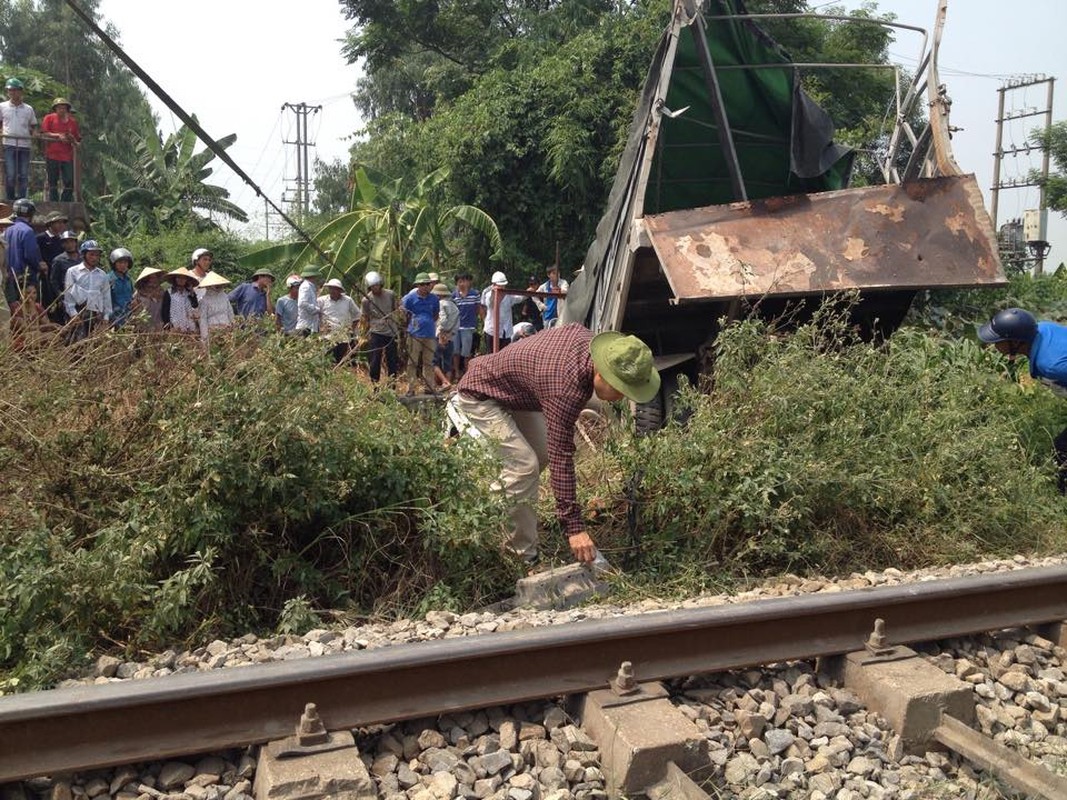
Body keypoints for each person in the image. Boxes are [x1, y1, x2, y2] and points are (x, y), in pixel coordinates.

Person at [454, 325, 660, 566]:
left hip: (516, 393)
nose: (620, 398)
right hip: (481, 394)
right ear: (602, 373)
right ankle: (522, 560)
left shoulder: (591, 348)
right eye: (619, 389)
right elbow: (562, 454)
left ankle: (496, 514)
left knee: (538, 456)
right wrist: (574, 528)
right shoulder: (565, 387)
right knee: (523, 467)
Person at [979, 307, 1067, 492]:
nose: (994, 345)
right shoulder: (1041, 329)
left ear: (1016, 341)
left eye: (999, 340)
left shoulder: (1050, 365)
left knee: (1062, 450)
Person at [401, 272, 440, 396]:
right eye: (422, 284)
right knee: (412, 362)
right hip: (414, 334)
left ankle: (429, 387)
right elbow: (403, 312)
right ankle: (411, 388)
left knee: (429, 362)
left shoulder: (434, 299)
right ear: (418, 285)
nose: (425, 287)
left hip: (429, 334)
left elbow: (435, 315)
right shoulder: (410, 298)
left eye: (427, 284)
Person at [64, 239, 111, 340]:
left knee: (94, 346)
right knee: (76, 345)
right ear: (84, 255)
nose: (95, 258)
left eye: (97, 255)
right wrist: (73, 314)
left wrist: (106, 317)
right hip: (78, 313)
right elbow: (68, 296)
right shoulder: (72, 271)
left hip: (96, 316)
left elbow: (106, 297)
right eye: (91, 254)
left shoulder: (102, 275)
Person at [3, 198, 45, 306]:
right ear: (30, 213)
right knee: (29, 308)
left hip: (8, 277)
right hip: (25, 278)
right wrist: (39, 266)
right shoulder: (27, 231)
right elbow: (30, 256)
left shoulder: (6, 228)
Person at [0, 78, 37, 201]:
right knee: (10, 174)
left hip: (24, 145)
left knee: (23, 175)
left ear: (21, 92)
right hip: (9, 144)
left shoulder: (28, 109)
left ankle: (22, 200)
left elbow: (33, 126)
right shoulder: (2, 107)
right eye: (10, 90)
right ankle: (10, 199)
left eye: (15, 90)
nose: (12, 93)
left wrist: (35, 133)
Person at [361, 270, 400, 383]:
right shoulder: (366, 300)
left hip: (390, 331)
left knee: (392, 361)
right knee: (374, 361)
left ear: (381, 284)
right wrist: (364, 335)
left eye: (377, 285)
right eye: (372, 286)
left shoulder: (390, 294)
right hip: (376, 332)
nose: (375, 288)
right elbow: (365, 318)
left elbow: (395, 310)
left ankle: (392, 386)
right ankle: (375, 387)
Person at [40, 98, 81, 202]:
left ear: (67, 109)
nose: (61, 110)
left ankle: (65, 201)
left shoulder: (73, 122)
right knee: (52, 180)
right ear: (55, 109)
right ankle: (54, 202)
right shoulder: (49, 118)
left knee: (69, 180)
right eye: (59, 108)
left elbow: (77, 138)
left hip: (67, 156)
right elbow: (44, 133)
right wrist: (58, 136)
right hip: (52, 154)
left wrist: (72, 139)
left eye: (64, 108)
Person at [318, 277, 361, 364]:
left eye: (335, 289)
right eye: (331, 288)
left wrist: (351, 328)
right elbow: (314, 314)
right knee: (327, 361)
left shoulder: (347, 300)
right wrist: (320, 327)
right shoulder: (321, 300)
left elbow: (357, 315)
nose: (333, 291)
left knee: (341, 361)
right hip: (327, 336)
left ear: (340, 290)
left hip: (343, 337)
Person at [481, 270, 521, 353]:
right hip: (491, 331)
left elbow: (519, 298)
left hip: (505, 332)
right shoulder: (488, 294)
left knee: (504, 356)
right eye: (500, 285)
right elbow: (491, 304)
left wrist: (529, 292)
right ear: (494, 284)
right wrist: (493, 293)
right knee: (491, 356)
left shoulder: (508, 295)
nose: (502, 287)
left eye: (503, 285)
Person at [451, 272, 481, 381]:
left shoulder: (475, 294)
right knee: (455, 351)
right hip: (455, 327)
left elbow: (477, 309)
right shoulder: (453, 295)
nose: (462, 283)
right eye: (459, 281)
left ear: (469, 282)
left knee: (467, 352)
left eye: (464, 281)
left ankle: (467, 373)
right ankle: (457, 373)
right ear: (456, 283)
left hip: (468, 327)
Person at [48, 229, 80, 325]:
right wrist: (60, 295)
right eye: (66, 242)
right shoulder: (59, 260)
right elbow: (53, 280)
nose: (69, 244)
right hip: (68, 297)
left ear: (75, 242)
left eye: (71, 241)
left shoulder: (83, 258)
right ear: (62, 245)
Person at [432, 282, 459, 389]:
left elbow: (442, 320)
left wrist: (440, 335)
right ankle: (447, 382)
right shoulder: (454, 306)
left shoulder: (441, 304)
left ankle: (443, 382)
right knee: (447, 362)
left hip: (440, 336)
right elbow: (457, 324)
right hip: (450, 337)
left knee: (433, 362)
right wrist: (449, 335)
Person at [197, 272, 234, 343]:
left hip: (227, 329)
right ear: (210, 286)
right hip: (213, 332)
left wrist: (234, 326)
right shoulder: (204, 300)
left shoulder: (224, 297)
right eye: (216, 285)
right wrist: (205, 338)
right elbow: (202, 320)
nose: (219, 286)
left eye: (220, 284)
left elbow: (230, 313)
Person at [162, 268, 200, 334]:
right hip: (175, 326)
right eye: (179, 277)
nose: (181, 280)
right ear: (175, 279)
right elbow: (165, 312)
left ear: (187, 280)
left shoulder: (189, 293)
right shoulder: (169, 292)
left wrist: (192, 292)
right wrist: (169, 327)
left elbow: (195, 305)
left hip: (190, 326)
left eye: (184, 278)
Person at [130, 267, 165, 331]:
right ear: (146, 279)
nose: (153, 280)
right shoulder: (139, 293)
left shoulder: (161, 292)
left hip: (158, 325)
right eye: (150, 278)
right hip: (143, 325)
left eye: (155, 277)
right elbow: (134, 311)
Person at [108, 248, 135, 328]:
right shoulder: (108, 279)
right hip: (113, 320)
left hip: (128, 318)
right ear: (114, 264)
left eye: (125, 262)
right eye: (120, 262)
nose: (123, 265)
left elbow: (131, 297)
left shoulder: (128, 280)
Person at [294, 266, 322, 336]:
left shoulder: (311, 287)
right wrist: (315, 309)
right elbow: (302, 303)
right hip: (306, 326)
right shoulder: (306, 286)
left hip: (311, 325)